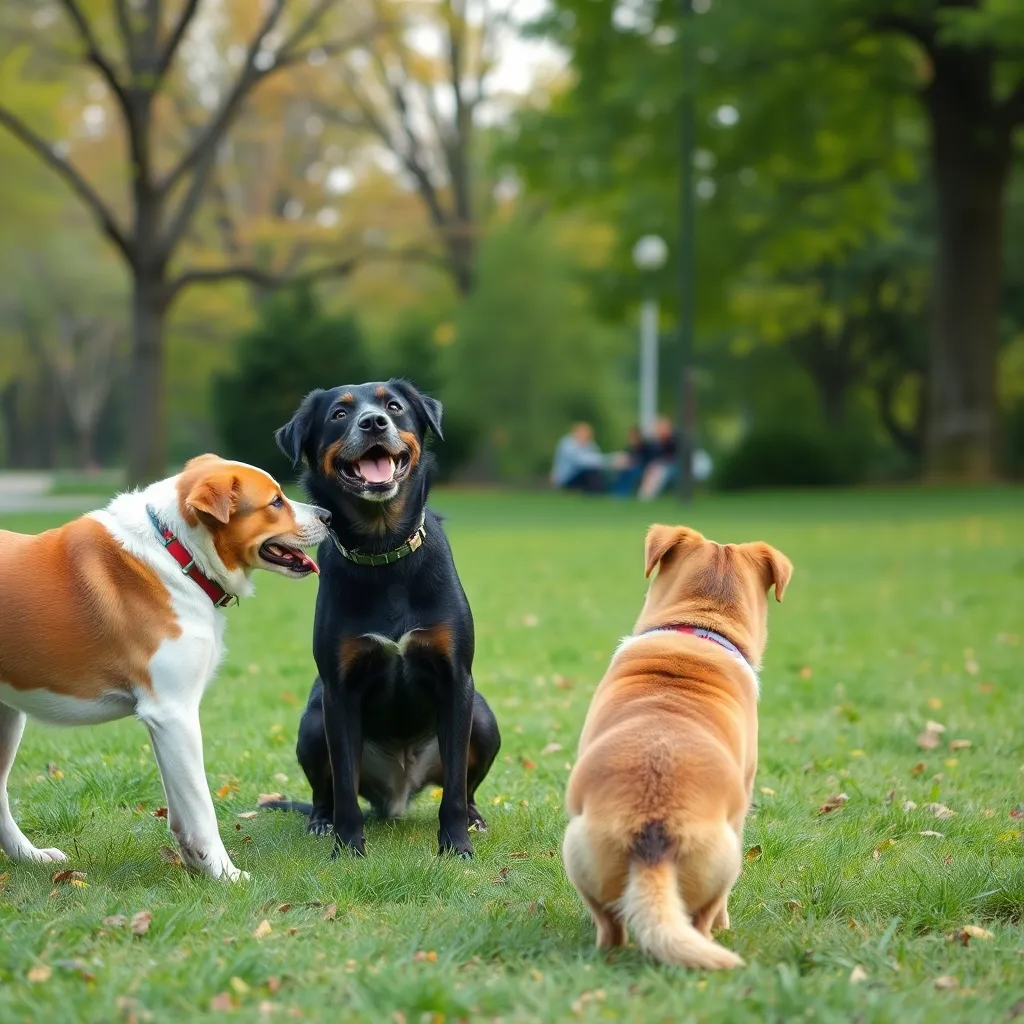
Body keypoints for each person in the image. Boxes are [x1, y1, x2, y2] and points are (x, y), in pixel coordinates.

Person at [550, 422, 610, 494]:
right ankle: (596, 493)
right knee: (591, 471)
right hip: (567, 477)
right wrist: (611, 460)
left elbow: (597, 459)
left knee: (599, 472)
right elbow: (581, 461)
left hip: (582, 475)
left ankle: (600, 492)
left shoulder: (590, 444)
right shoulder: (567, 444)